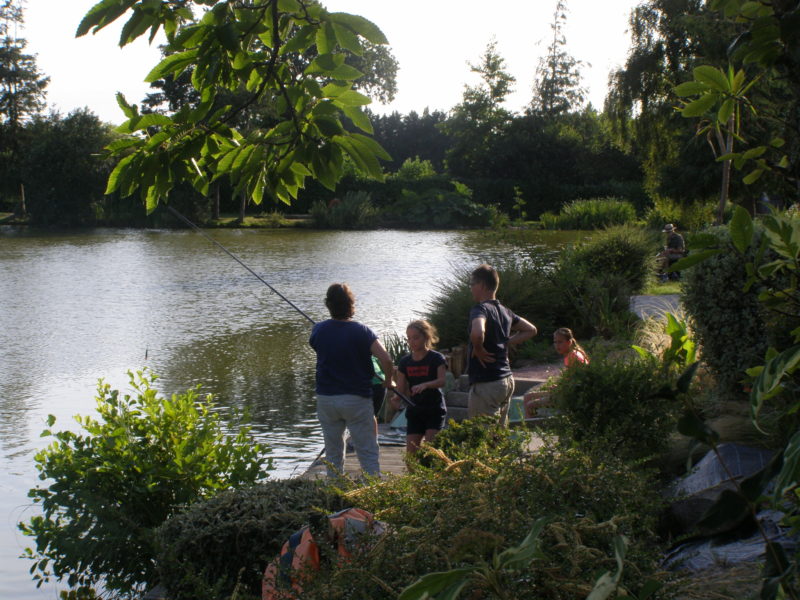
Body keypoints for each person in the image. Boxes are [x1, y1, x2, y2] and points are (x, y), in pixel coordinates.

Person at [309, 283, 394, 478]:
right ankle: (372, 490)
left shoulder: (318, 330)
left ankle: (335, 492)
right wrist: (389, 381)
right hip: (356, 398)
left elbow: (317, 347)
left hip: (326, 398)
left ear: (328, 305)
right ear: (351, 304)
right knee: (367, 451)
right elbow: (386, 359)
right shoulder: (362, 331)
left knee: (333, 453)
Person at [467, 264, 538, 425]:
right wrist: (505, 343)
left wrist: (478, 348)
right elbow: (531, 330)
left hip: (487, 383)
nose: (470, 288)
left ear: (482, 285)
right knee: (498, 435)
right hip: (506, 380)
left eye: (472, 284)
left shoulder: (480, 309)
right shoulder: (505, 311)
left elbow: (478, 331)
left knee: (481, 435)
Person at [392, 320, 447, 454]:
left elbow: (442, 381)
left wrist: (426, 384)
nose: (412, 342)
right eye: (409, 338)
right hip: (415, 410)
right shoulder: (405, 362)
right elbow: (400, 388)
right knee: (411, 455)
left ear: (426, 337)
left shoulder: (436, 358)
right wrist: (395, 399)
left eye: (416, 338)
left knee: (431, 452)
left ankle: (434, 474)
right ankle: (414, 475)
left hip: (434, 409)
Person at [523, 327, 589, 418]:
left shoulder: (573, 356)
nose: (557, 345)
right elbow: (570, 379)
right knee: (528, 397)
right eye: (555, 342)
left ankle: (530, 429)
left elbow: (577, 382)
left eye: (560, 342)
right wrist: (559, 386)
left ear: (569, 342)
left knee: (530, 405)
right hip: (564, 391)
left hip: (571, 395)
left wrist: (559, 388)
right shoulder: (572, 354)